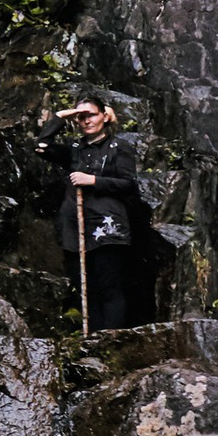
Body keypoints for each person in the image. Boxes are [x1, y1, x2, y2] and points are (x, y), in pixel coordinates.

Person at [44, 98, 147, 331]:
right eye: (81, 117)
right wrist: (61, 116)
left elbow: (128, 184)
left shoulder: (119, 147)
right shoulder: (74, 151)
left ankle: (110, 341)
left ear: (104, 116)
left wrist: (93, 181)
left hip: (107, 226)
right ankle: (92, 342)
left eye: (91, 114)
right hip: (75, 227)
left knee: (108, 285)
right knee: (85, 288)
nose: (86, 120)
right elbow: (41, 145)